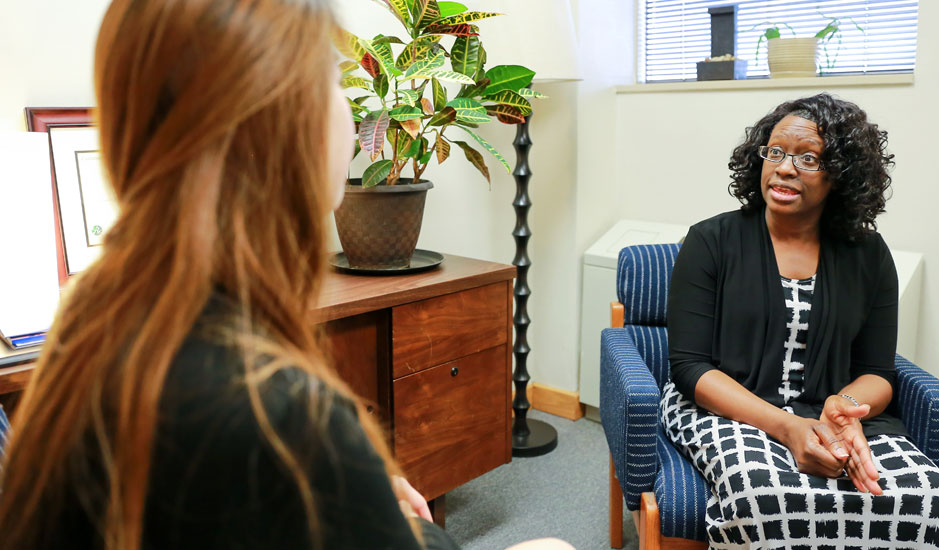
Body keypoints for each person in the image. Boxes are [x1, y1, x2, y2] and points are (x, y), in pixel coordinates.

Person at [0, 2, 573, 549]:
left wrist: (357, 493)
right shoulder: (274, 418)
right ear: (276, 125)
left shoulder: (93, 314)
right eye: (331, 78)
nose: (348, 108)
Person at [662, 94, 939, 549]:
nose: (783, 167)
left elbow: (877, 372)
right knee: (763, 493)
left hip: (827, 410)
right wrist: (789, 428)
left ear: (841, 175)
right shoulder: (710, 241)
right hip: (723, 408)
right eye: (774, 151)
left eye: (808, 158)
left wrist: (842, 407)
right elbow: (690, 368)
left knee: (919, 495)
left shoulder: (869, 255)